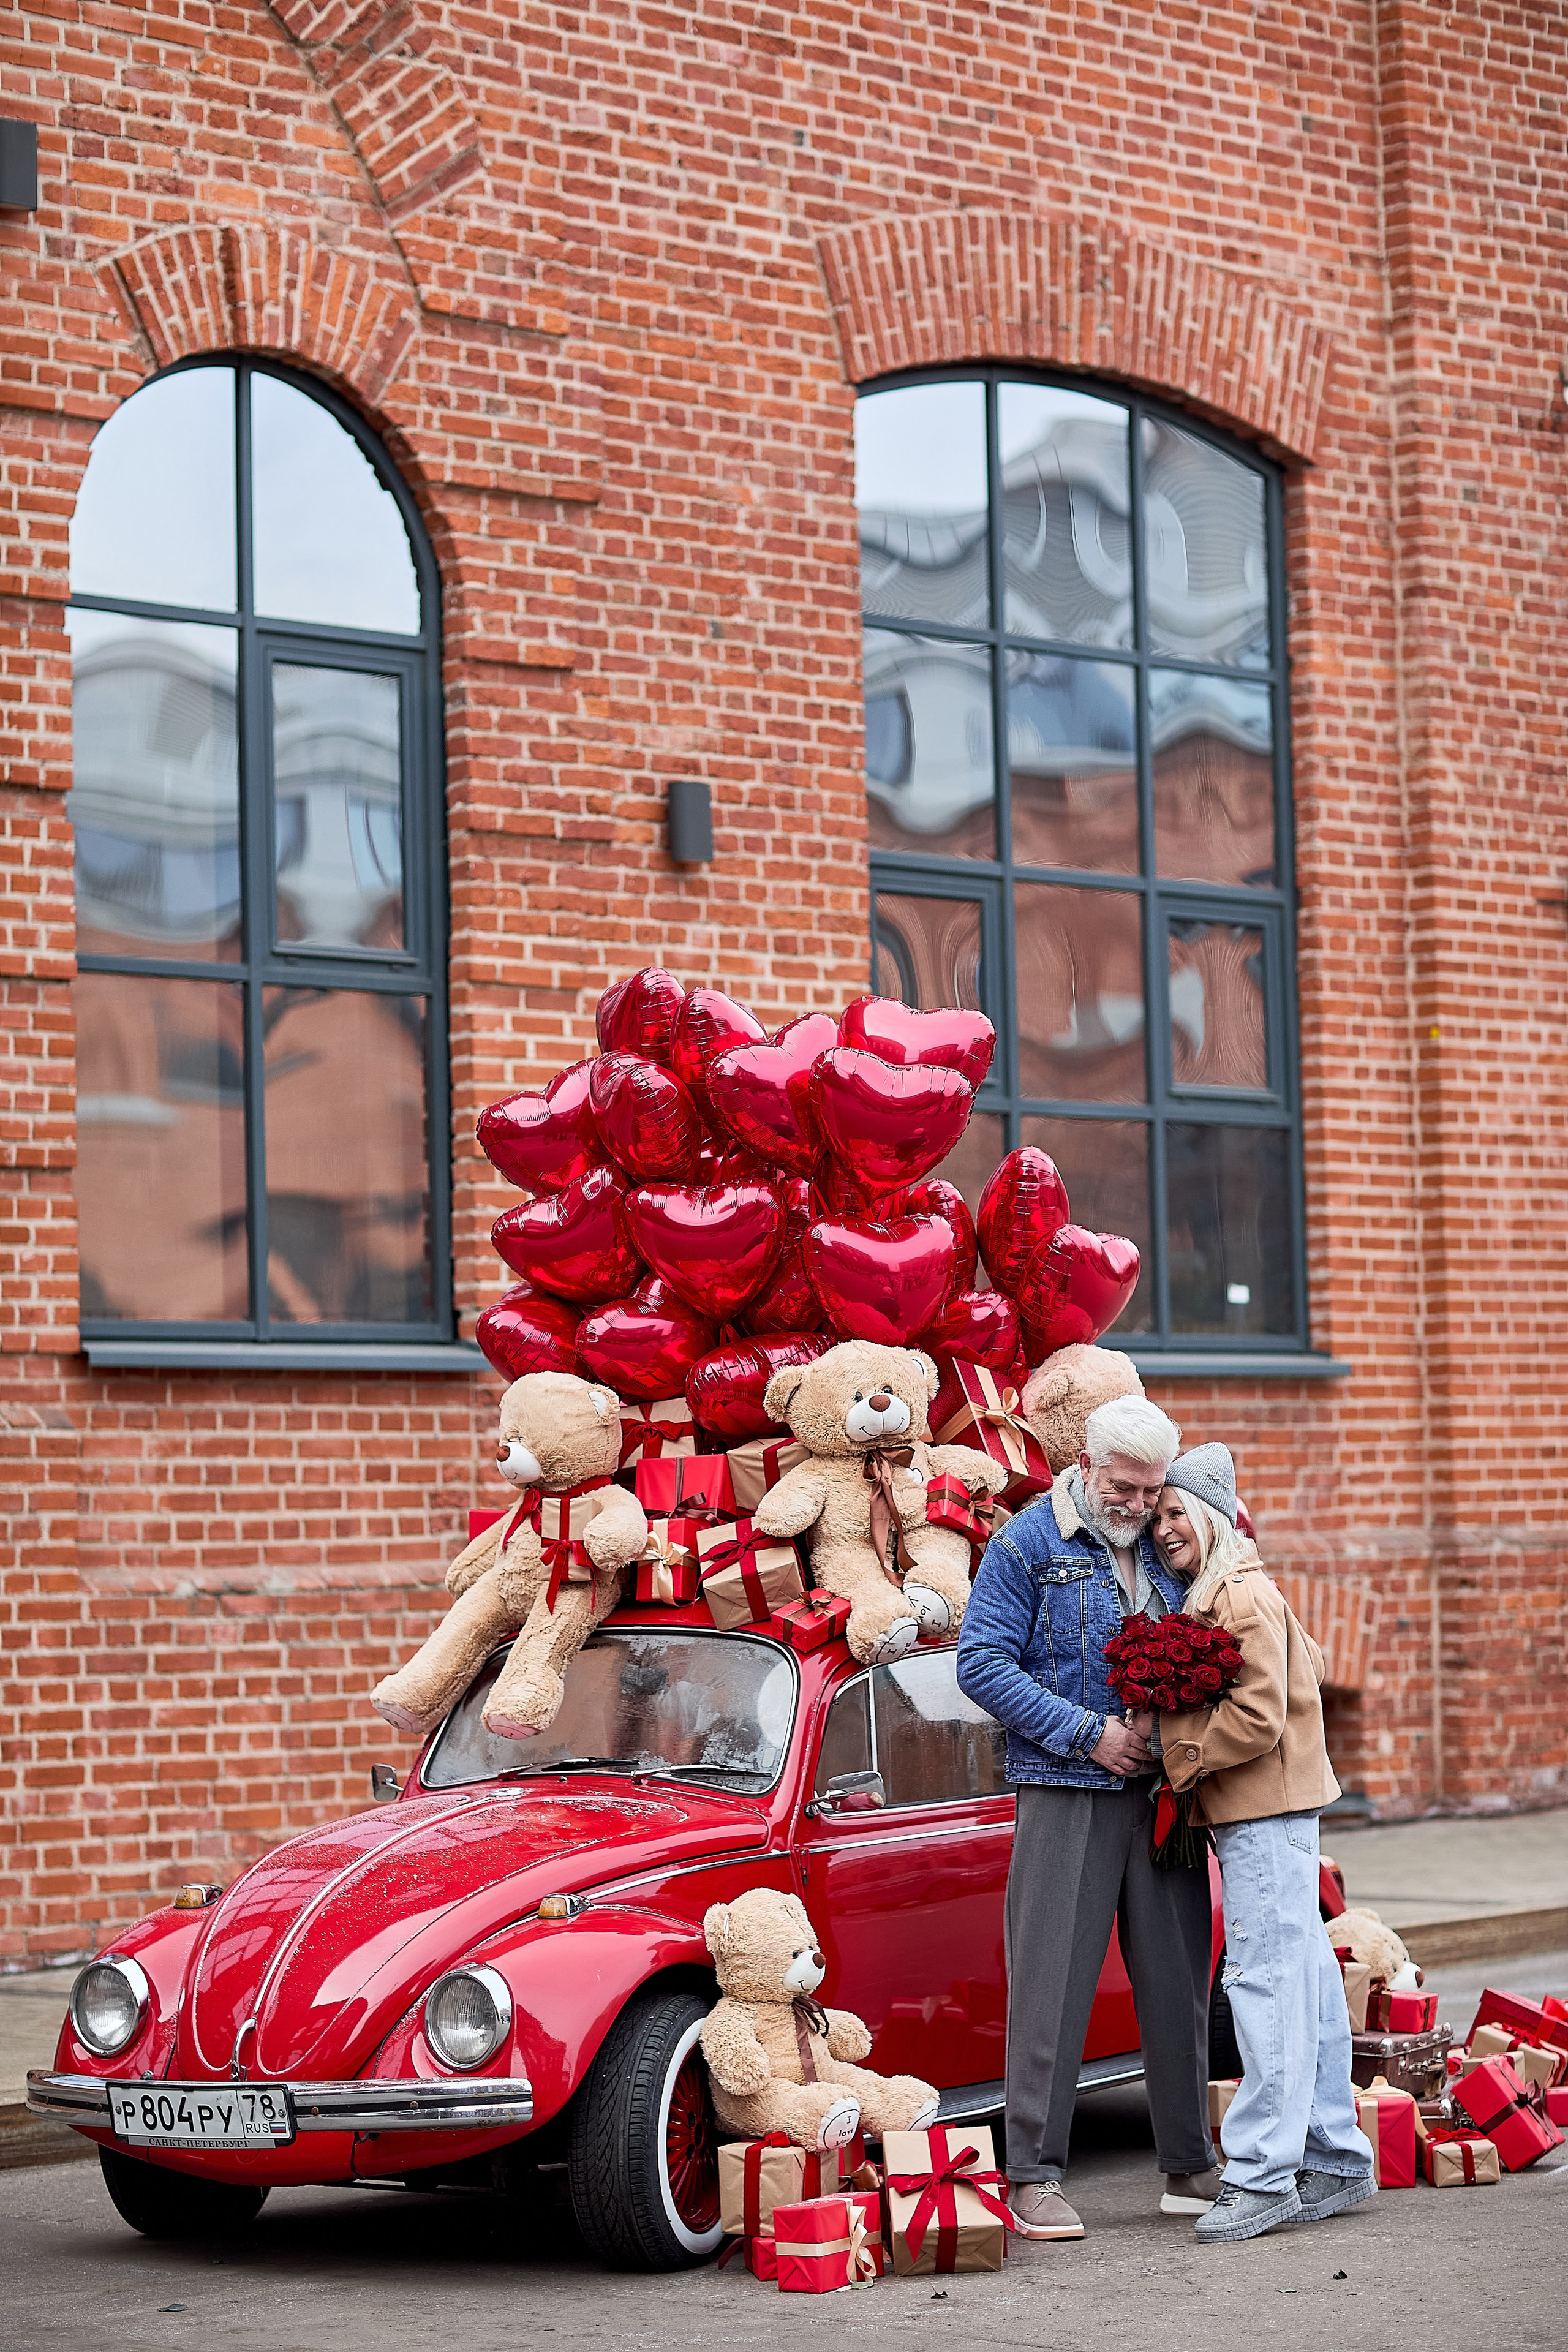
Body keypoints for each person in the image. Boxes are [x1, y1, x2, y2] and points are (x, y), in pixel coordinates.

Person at [956, 1396, 1222, 2241]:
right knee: (1053, 1984)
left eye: (1151, 1492)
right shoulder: (1025, 1544)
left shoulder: (1165, 1537)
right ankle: (1033, 2176)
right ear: (1086, 1463)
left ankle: (1189, 2164)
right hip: (1064, 1786)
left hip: (1163, 1795)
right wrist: (1087, 1734)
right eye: (1125, 1488)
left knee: (1180, 1979)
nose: (1140, 1507)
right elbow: (980, 1664)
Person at [1134, 1444, 1376, 2243]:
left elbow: (1259, 1717)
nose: (1165, 1527)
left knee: (1264, 1982)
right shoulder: (1236, 1589)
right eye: (1158, 1515)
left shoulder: (1235, 1597)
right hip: (1273, 1808)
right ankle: (1335, 2156)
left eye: (1178, 1513)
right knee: (1301, 1977)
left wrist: (1178, 1751)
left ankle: (1265, 2175)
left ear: (1210, 1515)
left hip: (1261, 1811)